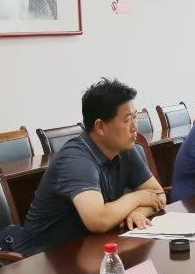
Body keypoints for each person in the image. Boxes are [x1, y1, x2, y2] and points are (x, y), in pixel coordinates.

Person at [18, 79, 165, 255]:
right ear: (100, 127)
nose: (135, 127)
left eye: (135, 117)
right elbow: (98, 220)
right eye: (127, 120)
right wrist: (137, 198)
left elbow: (158, 194)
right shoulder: (76, 160)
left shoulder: (124, 148)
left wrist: (138, 212)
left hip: (90, 249)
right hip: (45, 258)